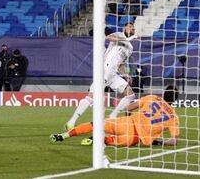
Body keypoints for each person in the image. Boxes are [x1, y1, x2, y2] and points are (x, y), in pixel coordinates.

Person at [64, 22, 138, 130]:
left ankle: (113, 115)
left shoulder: (130, 48)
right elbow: (108, 37)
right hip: (104, 69)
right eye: (130, 27)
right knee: (91, 97)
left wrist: (125, 74)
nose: (132, 29)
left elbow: (121, 63)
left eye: (133, 28)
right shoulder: (119, 35)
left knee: (130, 95)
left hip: (113, 73)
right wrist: (127, 39)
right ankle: (71, 122)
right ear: (125, 28)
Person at [50, 85, 179, 147]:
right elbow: (173, 141)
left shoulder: (153, 97)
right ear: (176, 100)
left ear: (164, 92)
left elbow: (129, 108)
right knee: (111, 141)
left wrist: (129, 117)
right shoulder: (174, 117)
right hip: (134, 138)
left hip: (126, 123)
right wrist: (158, 142)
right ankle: (100, 139)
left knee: (95, 124)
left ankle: (63, 135)